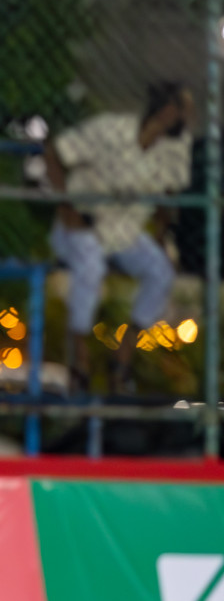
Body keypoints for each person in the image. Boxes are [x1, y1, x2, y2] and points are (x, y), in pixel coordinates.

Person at [45, 82, 193, 391]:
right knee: (91, 268)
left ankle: (122, 355)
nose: (186, 119)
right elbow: (56, 152)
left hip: (125, 233)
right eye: (182, 111)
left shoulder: (174, 149)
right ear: (166, 111)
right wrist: (67, 208)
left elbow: (167, 194)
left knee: (161, 272)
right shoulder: (112, 129)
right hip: (84, 224)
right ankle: (80, 357)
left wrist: (161, 239)